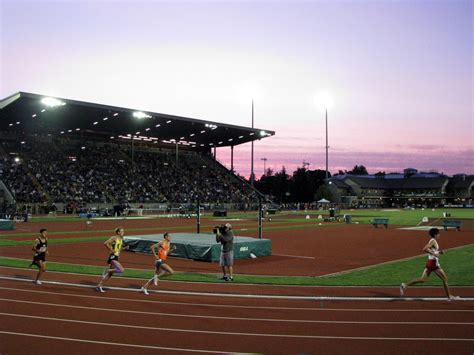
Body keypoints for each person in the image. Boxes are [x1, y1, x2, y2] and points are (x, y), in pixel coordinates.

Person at [400, 228, 458, 300]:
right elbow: (425, 249)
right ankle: (449, 296)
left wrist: (439, 252)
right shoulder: (433, 240)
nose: (439, 235)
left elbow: (432, 251)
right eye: (438, 234)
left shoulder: (433, 241)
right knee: (445, 278)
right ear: (435, 234)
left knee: (422, 279)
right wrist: (435, 254)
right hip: (433, 263)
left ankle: (405, 285)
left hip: (431, 262)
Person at [96, 227, 127, 293]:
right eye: (122, 231)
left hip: (116, 257)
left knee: (110, 275)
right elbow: (105, 243)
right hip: (113, 256)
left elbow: (118, 248)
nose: (123, 233)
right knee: (121, 270)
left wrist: (124, 248)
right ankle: (107, 270)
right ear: (118, 232)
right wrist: (112, 250)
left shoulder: (121, 239)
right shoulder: (114, 238)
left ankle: (99, 286)